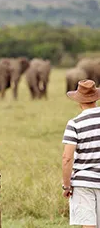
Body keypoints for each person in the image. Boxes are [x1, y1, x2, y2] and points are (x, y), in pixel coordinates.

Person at [62, 79, 100, 228]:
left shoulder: (75, 124)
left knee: (88, 224)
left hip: (83, 182)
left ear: (79, 101)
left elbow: (67, 157)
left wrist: (66, 186)